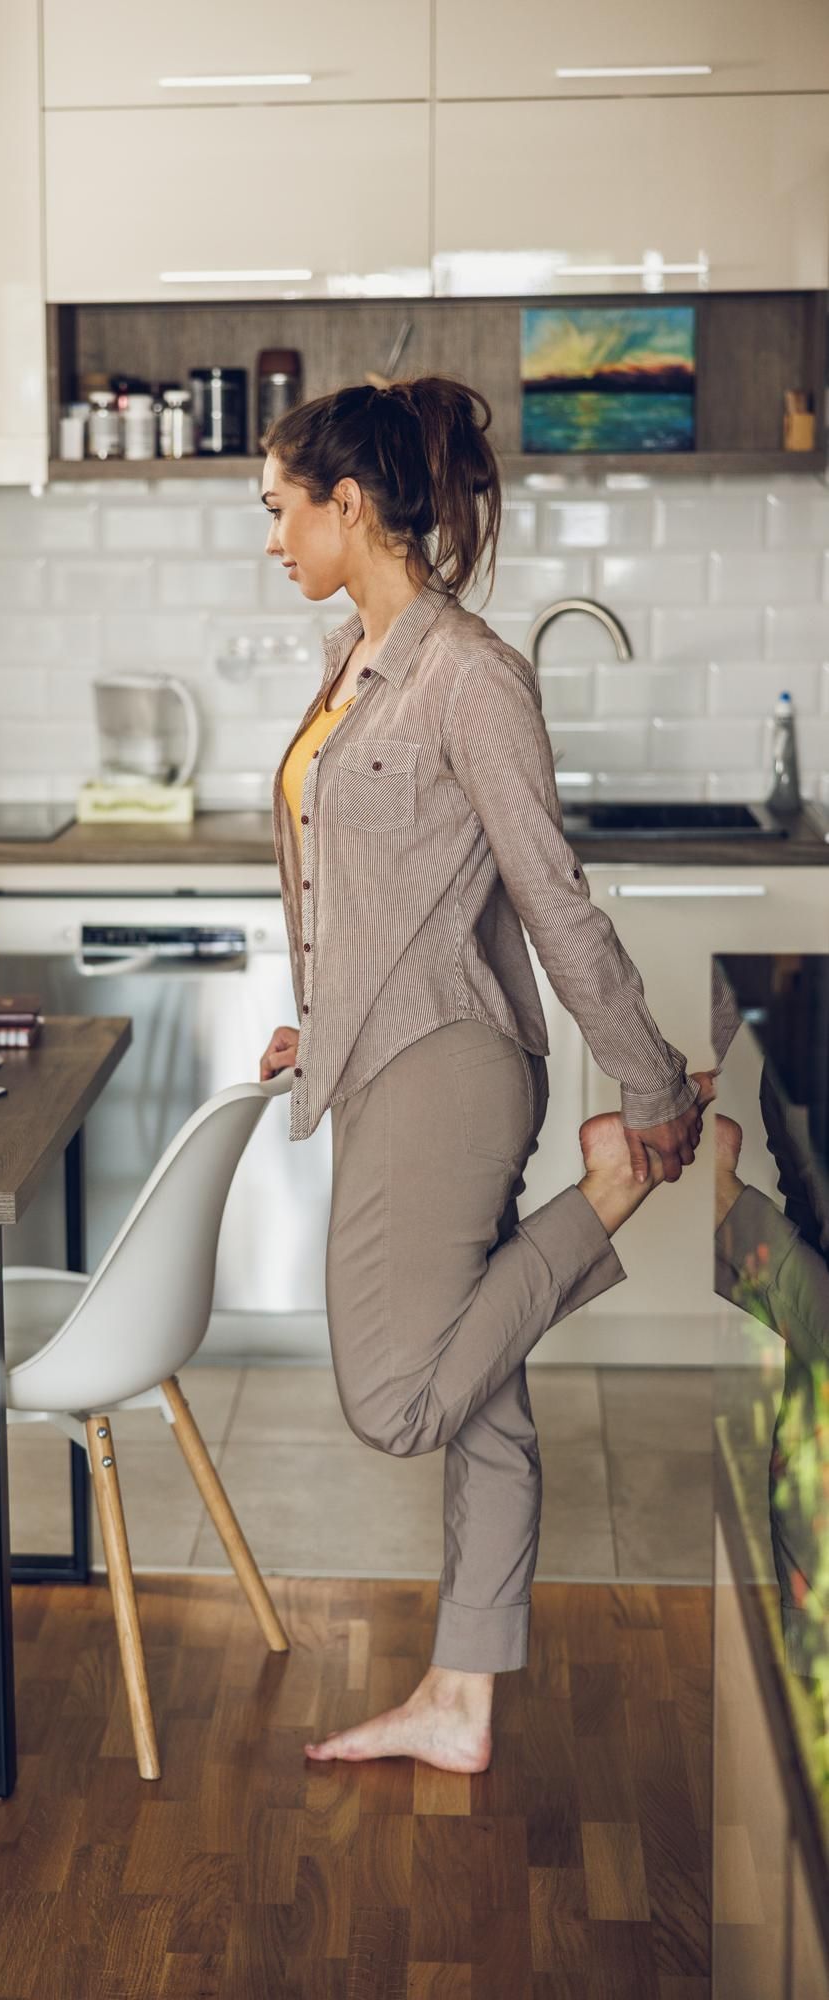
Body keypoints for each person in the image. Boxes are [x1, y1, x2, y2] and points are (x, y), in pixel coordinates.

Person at [255, 377, 716, 1774]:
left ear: (349, 504)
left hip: (446, 1066)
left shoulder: (468, 674)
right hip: (381, 1052)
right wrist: (316, 1014)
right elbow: (369, 884)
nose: (272, 537)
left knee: (395, 1400)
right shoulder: (353, 661)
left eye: (281, 509)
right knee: (486, 1385)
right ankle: (460, 1698)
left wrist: (647, 1091)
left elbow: (552, 901)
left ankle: (609, 1197)